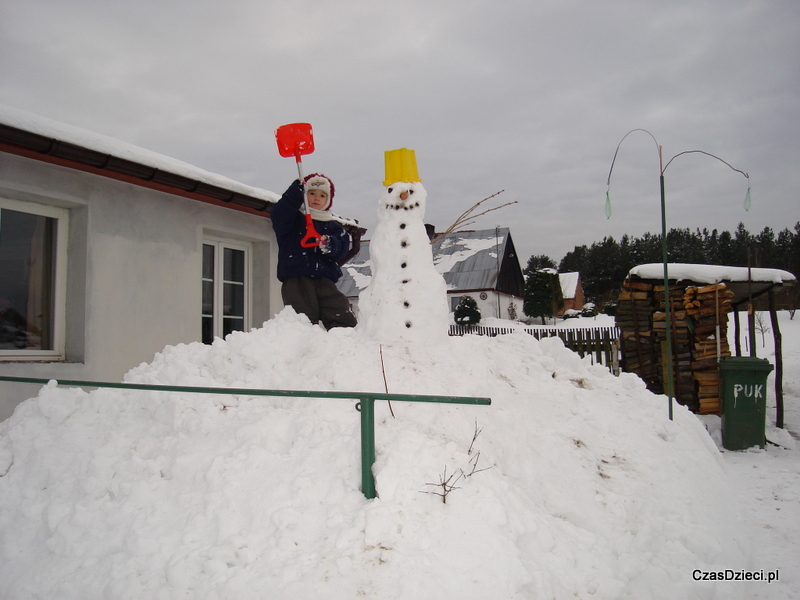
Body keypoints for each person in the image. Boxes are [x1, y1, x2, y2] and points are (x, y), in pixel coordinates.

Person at [270, 173, 357, 329]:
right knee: (302, 317)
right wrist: (295, 191)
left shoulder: (333, 226)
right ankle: (305, 343)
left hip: (325, 278)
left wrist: (331, 245)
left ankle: (345, 339)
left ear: (328, 200)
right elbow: (279, 213)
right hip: (297, 278)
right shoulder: (293, 220)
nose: (317, 198)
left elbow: (342, 248)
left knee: (337, 309)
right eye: (311, 193)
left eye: (322, 195)